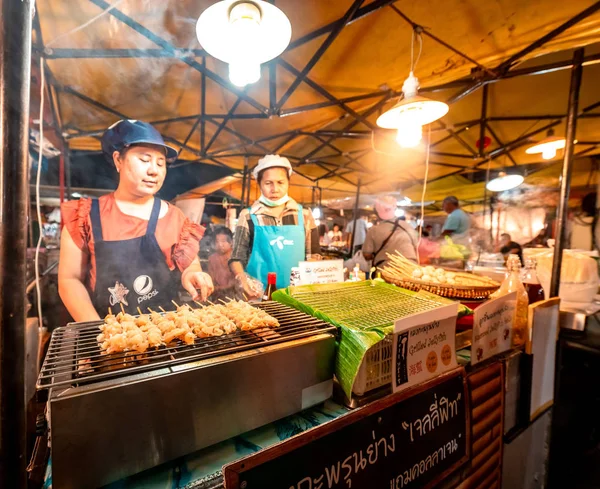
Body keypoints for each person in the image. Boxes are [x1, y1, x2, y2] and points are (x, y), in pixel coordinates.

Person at [58, 120, 214, 322]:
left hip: (164, 333)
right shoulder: (86, 215)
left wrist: (192, 275)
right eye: (144, 159)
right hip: (103, 333)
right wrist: (98, 331)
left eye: (160, 163)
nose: (154, 171)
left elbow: (191, 266)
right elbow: (70, 280)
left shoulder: (175, 217)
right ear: (118, 160)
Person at [230, 154, 320, 294]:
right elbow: (236, 258)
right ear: (259, 184)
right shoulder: (248, 216)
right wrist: (243, 281)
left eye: (280, 182)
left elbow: (314, 255)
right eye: (268, 183)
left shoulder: (305, 215)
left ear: (288, 183)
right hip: (258, 296)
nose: (275, 189)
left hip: (296, 296)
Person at [362, 195, 418, 268]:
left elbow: (366, 255)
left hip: (387, 269)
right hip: (411, 268)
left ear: (377, 212)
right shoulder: (408, 226)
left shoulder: (374, 230)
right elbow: (417, 247)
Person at [207, 227, 237, 301]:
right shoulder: (212, 258)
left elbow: (236, 281)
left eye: (223, 241)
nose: (220, 244)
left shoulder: (236, 257)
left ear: (231, 242)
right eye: (217, 241)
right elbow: (211, 279)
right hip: (217, 297)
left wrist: (221, 288)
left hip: (235, 297)